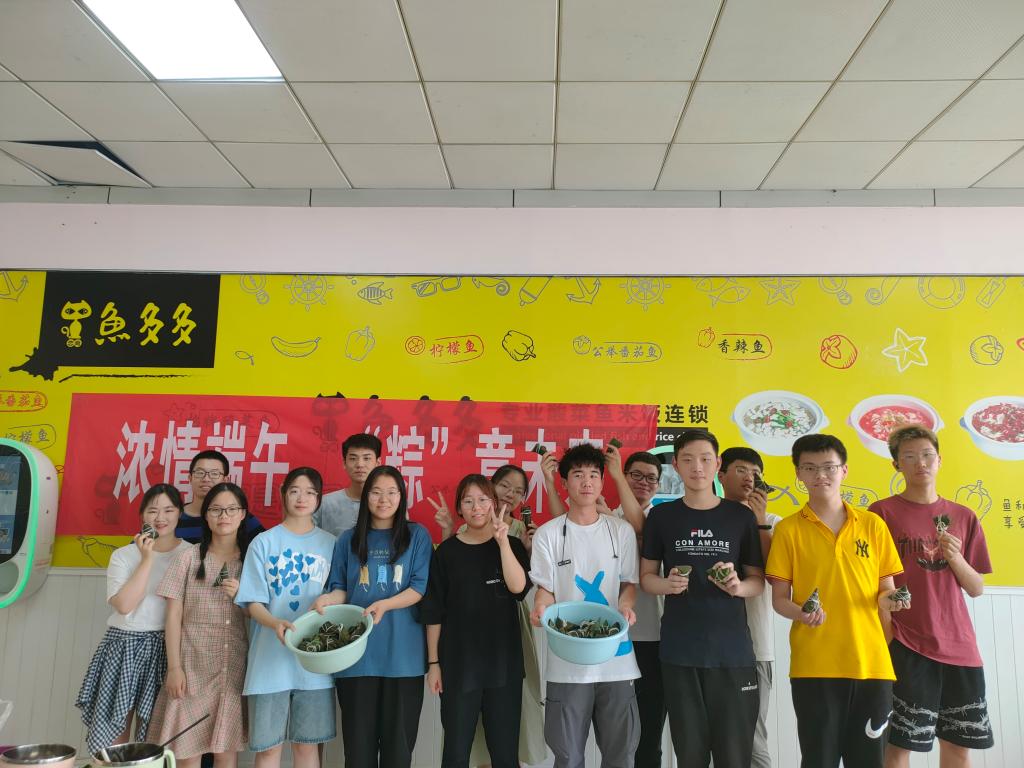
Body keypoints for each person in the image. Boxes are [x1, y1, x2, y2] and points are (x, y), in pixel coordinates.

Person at [766, 434, 905, 768]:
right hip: (814, 666)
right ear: (798, 473)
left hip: (870, 663)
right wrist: (802, 614)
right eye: (810, 468)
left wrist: (893, 601)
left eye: (829, 467)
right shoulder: (787, 530)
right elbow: (780, 600)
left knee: (869, 761)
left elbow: (886, 589)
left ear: (844, 470)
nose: (820, 475)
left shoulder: (872, 525)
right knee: (819, 760)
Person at [868, 425, 994, 766]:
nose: (920, 463)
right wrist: (888, 635)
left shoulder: (964, 516)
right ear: (896, 465)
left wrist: (955, 556)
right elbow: (872, 582)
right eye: (909, 457)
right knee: (900, 745)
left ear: (939, 460)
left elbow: (976, 587)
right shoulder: (880, 514)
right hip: (907, 643)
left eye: (927, 455)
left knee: (958, 745)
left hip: (960, 646)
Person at [640, 430, 764, 768]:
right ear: (676, 466)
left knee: (734, 757)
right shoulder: (662, 517)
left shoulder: (740, 517)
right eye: (688, 459)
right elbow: (647, 578)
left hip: (732, 653)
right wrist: (667, 584)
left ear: (717, 464)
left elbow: (757, 581)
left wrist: (738, 587)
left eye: (706, 459)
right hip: (680, 652)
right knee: (690, 755)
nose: (697, 467)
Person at [529, 443, 640, 768]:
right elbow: (546, 589)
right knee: (567, 755)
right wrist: (540, 607)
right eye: (578, 475)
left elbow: (629, 583)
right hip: (567, 662)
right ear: (564, 483)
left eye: (594, 475)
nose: (587, 482)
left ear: (603, 481)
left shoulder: (621, 531)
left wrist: (626, 606)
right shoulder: (548, 534)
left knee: (621, 754)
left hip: (617, 660)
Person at [313, 465, 432, 768]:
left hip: (403, 659)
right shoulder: (348, 539)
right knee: (358, 753)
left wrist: (386, 604)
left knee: (398, 753)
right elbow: (341, 588)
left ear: (402, 497)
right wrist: (327, 600)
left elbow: (419, 588)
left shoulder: (417, 535)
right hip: (356, 658)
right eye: (376, 492)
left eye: (392, 492)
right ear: (366, 496)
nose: (384, 499)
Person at [430, 463, 548, 767]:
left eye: (483, 500)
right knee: (455, 753)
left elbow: (519, 589)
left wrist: (502, 542)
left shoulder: (511, 544)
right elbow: (434, 612)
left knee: (505, 753)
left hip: (503, 664)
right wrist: (433, 664)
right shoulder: (446, 552)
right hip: (459, 665)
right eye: (468, 501)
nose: (477, 507)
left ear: (493, 504)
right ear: (459, 508)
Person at [76, 483, 190, 753]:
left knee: (153, 736)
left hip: (168, 647)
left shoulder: (190, 554)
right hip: (123, 645)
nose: (160, 517)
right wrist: (147, 558)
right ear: (142, 515)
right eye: (152, 511)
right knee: (114, 735)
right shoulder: (124, 556)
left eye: (168, 510)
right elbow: (125, 605)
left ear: (179, 513)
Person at [235, 467, 336, 768]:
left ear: (319, 498)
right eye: (294, 491)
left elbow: (340, 594)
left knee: (307, 748)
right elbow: (252, 601)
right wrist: (274, 623)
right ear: (283, 494)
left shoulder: (331, 544)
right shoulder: (263, 543)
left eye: (310, 492)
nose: (301, 498)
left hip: (314, 666)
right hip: (268, 664)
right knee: (268, 750)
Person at [148, 482, 251, 768]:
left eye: (231, 509)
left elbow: (258, 613)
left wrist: (242, 597)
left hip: (231, 668)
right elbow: (172, 616)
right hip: (190, 668)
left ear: (243, 514)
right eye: (216, 509)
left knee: (225, 753)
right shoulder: (188, 557)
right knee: (186, 753)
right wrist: (174, 668)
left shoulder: (251, 561)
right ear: (205, 515)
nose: (224, 516)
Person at [717, 446, 781, 768]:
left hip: (755, 646)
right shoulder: (709, 518)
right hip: (710, 647)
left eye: (756, 472)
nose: (750, 477)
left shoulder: (772, 522)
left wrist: (759, 522)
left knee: (752, 736)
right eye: (741, 469)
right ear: (721, 475)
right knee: (719, 736)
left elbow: (775, 575)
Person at [610, 450, 665, 768]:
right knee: (612, 730)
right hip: (611, 639)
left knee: (650, 729)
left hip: (654, 638)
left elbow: (642, 532)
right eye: (636, 475)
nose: (644, 482)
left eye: (651, 478)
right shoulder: (603, 518)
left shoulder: (665, 520)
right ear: (624, 476)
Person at [177, 450, 263, 544]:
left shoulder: (241, 518)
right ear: (190, 478)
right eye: (200, 473)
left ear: (225, 480)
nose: (206, 479)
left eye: (214, 473)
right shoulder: (173, 516)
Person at [315, 433, 382, 537]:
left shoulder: (388, 504)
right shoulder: (325, 503)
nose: (360, 464)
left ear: (378, 463)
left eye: (366, 458)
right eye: (353, 458)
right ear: (344, 463)